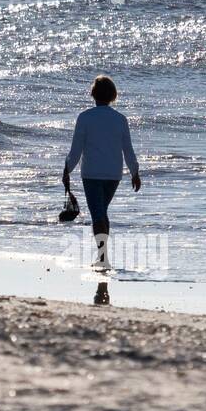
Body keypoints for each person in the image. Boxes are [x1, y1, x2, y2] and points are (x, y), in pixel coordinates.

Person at [62, 74, 141, 271]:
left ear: (93, 94)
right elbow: (128, 149)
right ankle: (103, 256)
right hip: (113, 174)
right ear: (113, 95)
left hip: (91, 174)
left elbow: (76, 149)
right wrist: (134, 172)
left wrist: (67, 169)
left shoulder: (85, 117)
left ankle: (103, 258)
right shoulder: (120, 119)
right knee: (101, 212)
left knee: (98, 214)